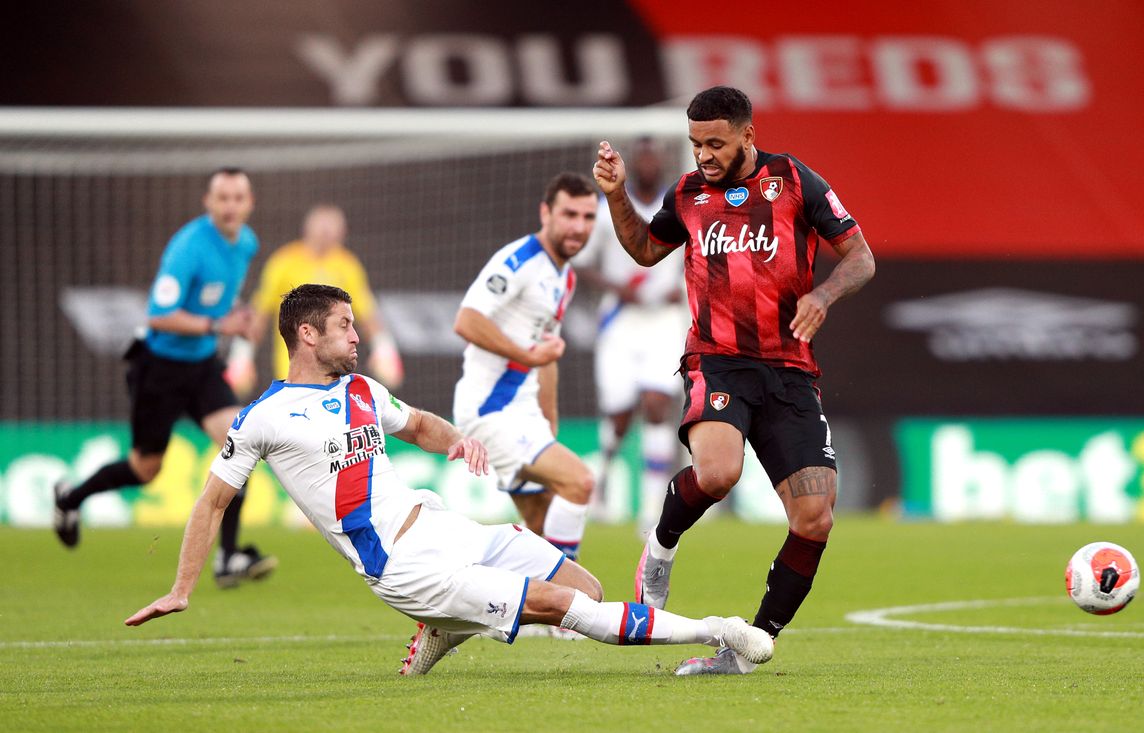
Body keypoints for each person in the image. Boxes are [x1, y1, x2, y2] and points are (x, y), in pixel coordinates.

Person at [123, 284, 775, 677]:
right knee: (570, 612)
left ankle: (452, 627)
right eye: (345, 325)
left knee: (585, 584)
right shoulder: (262, 416)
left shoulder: (361, 388)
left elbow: (417, 424)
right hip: (404, 567)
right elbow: (212, 502)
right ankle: (721, 630)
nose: (358, 334)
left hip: (442, 525)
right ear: (306, 332)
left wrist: (458, 442)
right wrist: (181, 587)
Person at [592, 86, 876, 675]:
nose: (704, 155)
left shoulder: (794, 181)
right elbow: (645, 249)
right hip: (716, 360)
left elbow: (860, 257)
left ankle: (747, 647)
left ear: (749, 133)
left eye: (716, 143)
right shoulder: (689, 193)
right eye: (695, 143)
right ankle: (661, 547)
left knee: (815, 518)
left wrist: (823, 293)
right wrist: (618, 194)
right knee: (719, 473)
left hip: (790, 369)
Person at [53, 167, 277, 589]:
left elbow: (222, 299)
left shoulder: (246, 243)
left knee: (240, 441)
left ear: (250, 203)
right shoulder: (189, 248)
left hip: (202, 366)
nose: (230, 206)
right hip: (159, 367)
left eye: (238, 197)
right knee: (145, 469)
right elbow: (159, 314)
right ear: (207, 202)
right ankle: (70, 499)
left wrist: (239, 316)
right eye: (222, 198)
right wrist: (219, 326)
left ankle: (227, 558)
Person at [451, 173, 598, 560]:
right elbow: (466, 320)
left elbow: (545, 353)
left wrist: (548, 420)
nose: (578, 227)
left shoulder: (564, 278)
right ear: (545, 212)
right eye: (569, 214)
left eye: (587, 217)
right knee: (579, 482)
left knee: (540, 527)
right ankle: (570, 611)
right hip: (491, 410)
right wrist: (528, 356)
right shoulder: (518, 260)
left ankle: (458, 614)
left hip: (525, 412)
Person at [573, 138, 689, 530]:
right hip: (621, 321)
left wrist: (684, 290)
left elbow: (700, 256)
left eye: (654, 156)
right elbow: (582, 265)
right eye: (642, 157)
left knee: (657, 404)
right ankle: (601, 478)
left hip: (663, 320)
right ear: (633, 164)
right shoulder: (609, 212)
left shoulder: (680, 205)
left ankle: (652, 507)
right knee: (620, 414)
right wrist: (615, 287)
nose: (649, 162)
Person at [225, 203, 403, 398]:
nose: (326, 233)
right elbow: (259, 314)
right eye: (321, 226)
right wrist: (241, 357)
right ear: (307, 229)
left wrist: (384, 350)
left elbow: (367, 314)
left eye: (332, 227)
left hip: (337, 371)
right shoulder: (283, 262)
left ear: (342, 232)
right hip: (293, 370)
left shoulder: (348, 266)